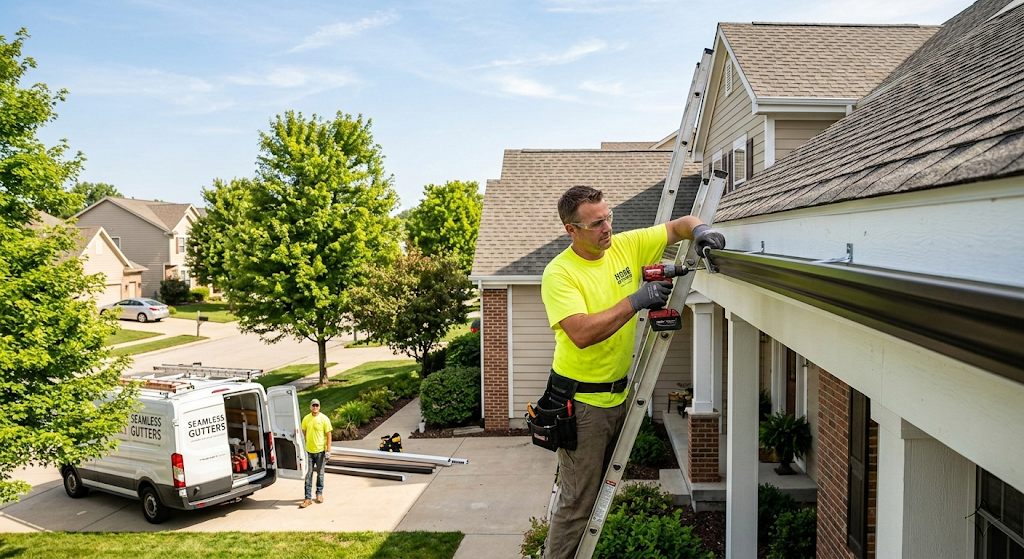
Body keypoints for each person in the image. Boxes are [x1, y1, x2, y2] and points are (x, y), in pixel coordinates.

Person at [540, 185, 725, 558]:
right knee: (577, 503)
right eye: (596, 223)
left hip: (618, 395)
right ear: (571, 229)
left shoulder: (623, 245)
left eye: (608, 217)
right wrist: (637, 300)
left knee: (596, 495)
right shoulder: (560, 273)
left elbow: (681, 226)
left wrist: (702, 231)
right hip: (582, 403)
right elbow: (581, 333)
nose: (607, 227)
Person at [300, 398, 332, 508]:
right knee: (308, 475)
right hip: (309, 451)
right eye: (313, 405)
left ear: (319, 407)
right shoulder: (306, 419)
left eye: (317, 405)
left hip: (320, 452)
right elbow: (303, 432)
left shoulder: (324, 419)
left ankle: (319, 494)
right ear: (310, 407)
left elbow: (328, 435)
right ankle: (307, 498)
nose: (315, 407)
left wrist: (328, 450)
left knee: (320, 474)